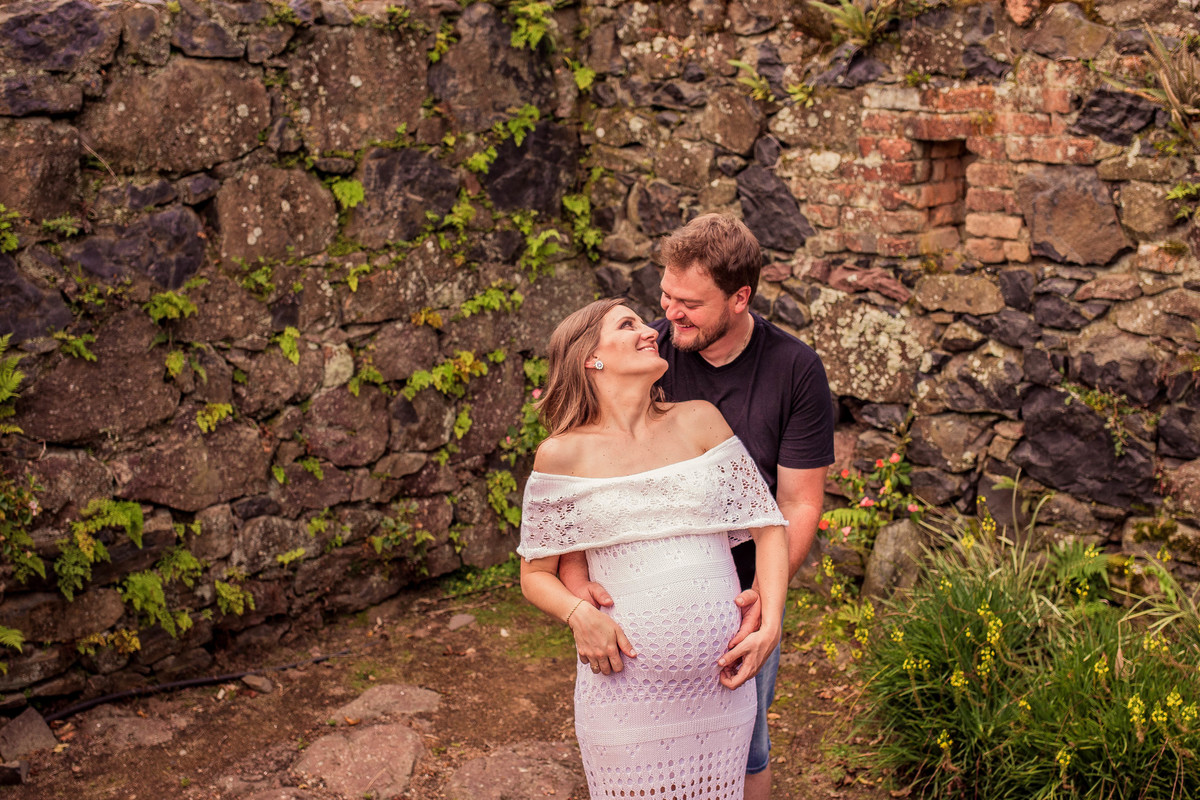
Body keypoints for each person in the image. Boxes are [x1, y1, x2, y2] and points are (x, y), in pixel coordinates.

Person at [560, 214, 836, 800]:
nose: (668, 315)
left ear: (740, 298)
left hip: (742, 600)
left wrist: (767, 599)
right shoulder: (649, 355)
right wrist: (574, 578)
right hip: (635, 607)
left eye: (689, 303)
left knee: (745, 749)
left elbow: (797, 500)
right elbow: (578, 477)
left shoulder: (795, 369)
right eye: (664, 295)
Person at [518, 297, 790, 800]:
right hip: (623, 694)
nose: (652, 331)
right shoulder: (562, 453)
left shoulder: (700, 421)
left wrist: (770, 620)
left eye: (645, 322)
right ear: (589, 358)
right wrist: (579, 614)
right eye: (629, 324)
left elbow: (768, 527)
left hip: (720, 691)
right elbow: (535, 575)